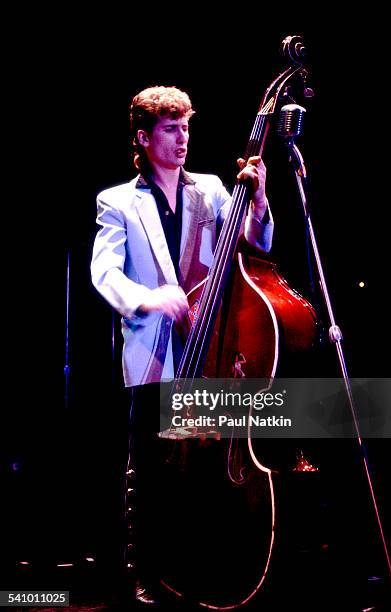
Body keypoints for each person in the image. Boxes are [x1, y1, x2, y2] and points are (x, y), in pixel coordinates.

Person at [90, 85, 274, 605]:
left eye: (186, 127)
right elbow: (103, 273)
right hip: (155, 354)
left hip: (210, 349)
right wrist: (150, 298)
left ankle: (206, 561)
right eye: (170, 129)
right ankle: (146, 572)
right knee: (151, 470)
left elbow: (257, 245)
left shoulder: (213, 189)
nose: (182, 137)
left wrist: (257, 201)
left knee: (208, 472)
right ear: (145, 137)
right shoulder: (118, 200)